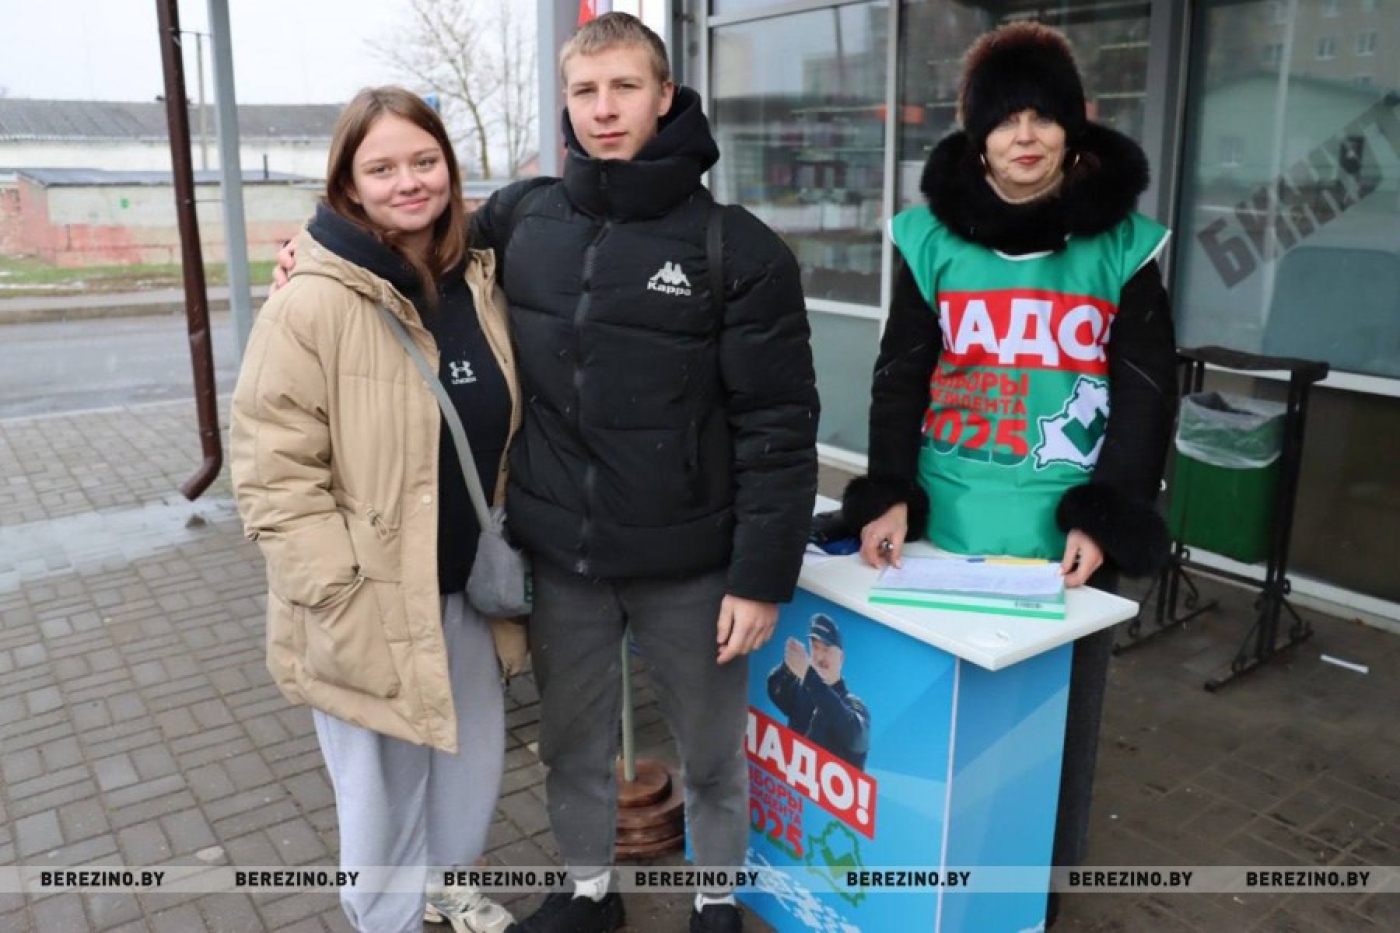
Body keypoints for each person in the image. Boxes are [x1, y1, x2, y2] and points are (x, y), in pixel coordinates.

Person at [479, 13, 818, 933]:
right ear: (567, 101)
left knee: (712, 756)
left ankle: (716, 901)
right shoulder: (521, 219)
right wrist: (318, 247)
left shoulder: (735, 247)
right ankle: (591, 895)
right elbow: (407, 259)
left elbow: (779, 426)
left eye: (625, 87)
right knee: (570, 747)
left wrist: (760, 577)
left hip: (693, 567)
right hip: (564, 558)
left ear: (665, 97)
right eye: (585, 91)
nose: (604, 109)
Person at [839, 21, 1178, 927]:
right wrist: (888, 495)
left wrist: (1106, 517)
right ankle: (941, 887)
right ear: (975, 132)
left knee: (1059, 735)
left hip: (1066, 540)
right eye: (1005, 119)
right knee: (947, 721)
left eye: (1044, 116)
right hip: (944, 524)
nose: (1024, 136)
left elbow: (1146, 393)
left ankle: (1041, 899)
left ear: (1075, 129)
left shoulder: (1123, 247)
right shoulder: (927, 240)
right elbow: (900, 374)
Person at [230, 87, 518, 933]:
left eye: (424, 160)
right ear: (348, 185)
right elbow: (271, 467)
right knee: (379, 787)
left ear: (450, 169)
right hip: (366, 595)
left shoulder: (481, 277)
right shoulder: (313, 299)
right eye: (382, 166)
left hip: (469, 583)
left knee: (468, 762)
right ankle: (383, 917)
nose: (408, 181)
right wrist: (336, 590)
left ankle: (446, 885)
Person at [766, 614, 871, 769]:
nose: (820, 656)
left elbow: (857, 738)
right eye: (815, 648)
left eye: (826, 649)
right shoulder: (802, 692)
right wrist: (788, 666)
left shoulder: (853, 705)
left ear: (841, 657)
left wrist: (809, 677)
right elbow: (775, 690)